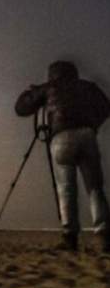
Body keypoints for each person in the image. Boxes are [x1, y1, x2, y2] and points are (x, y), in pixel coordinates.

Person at [16, 60, 110, 253]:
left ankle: (70, 237)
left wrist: (30, 92)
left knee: (66, 188)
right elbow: (106, 108)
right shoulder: (88, 87)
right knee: (95, 187)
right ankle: (104, 235)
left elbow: (21, 109)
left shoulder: (48, 88)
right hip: (87, 134)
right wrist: (93, 124)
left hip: (61, 136)